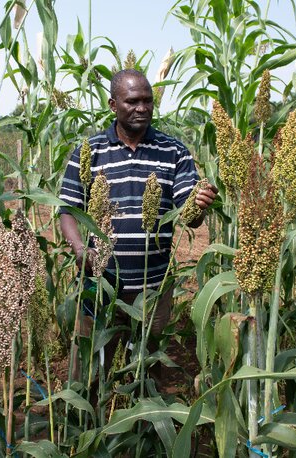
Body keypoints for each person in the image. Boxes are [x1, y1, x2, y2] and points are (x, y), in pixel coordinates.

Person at [58, 69, 218, 382]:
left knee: (147, 372)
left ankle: (145, 427)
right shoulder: (90, 152)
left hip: (153, 289)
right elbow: (67, 209)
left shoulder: (173, 151)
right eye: (132, 101)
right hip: (99, 283)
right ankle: (83, 426)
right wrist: (79, 248)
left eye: (147, 101)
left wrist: (199, 205)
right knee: (89, 370)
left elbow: (188, 214)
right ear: (113, 104)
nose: (141, 108)